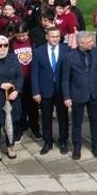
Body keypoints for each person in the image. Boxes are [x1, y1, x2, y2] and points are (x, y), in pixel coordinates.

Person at [63, 31, 97, 160]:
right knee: (76, 123)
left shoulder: (96, 52)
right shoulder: (70, 57)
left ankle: (96, 146)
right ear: (80, 43)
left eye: (91, 41)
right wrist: (67, 96)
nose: (92, 43)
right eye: (89, 42)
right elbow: (65, 78)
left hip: (93, 93)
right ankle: (76, 148)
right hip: (77, 94)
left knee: (95, 122)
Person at [32, 27, 70, 156]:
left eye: (57, 37)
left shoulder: (66, 50)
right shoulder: (38, 52)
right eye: (52, 36)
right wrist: (36, 91)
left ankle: (63, 141)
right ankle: (47, 141)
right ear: (47, 37)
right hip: (45, 90)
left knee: (63, 117)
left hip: (61, 90)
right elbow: (34, 73)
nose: (55, 39)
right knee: (46, 117)